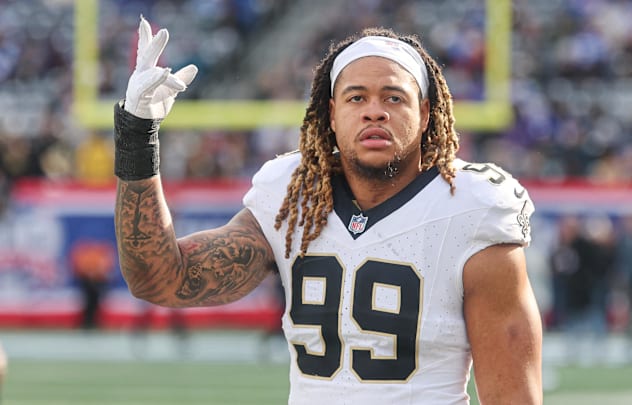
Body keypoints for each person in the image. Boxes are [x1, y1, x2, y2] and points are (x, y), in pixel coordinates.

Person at [114, 17, 543, 404]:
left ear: (426, 112)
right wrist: (137, 136)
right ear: (333, 114)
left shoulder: (472, 207)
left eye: (394, 98)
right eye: (356, 98)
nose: (375, 111)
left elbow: (514, 396)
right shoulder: (293, 193)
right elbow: (161, 279)